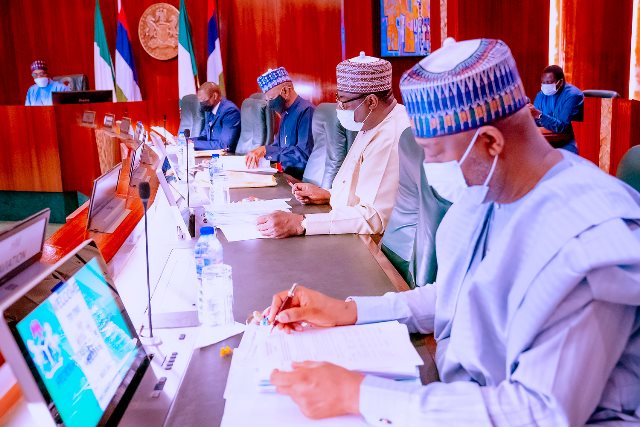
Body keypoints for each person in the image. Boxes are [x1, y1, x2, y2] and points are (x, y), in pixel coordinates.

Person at [262, 39, 640, 425]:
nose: (427, 166)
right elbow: (462, 293)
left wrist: (358, 395)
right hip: (462, 394)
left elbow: (538, 412)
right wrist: (349, 310)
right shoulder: (488, 193)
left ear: (490, 142)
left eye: (435, 153)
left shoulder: (592, 244)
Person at [256, 53, 410, 238]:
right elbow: (361, 192)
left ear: (371, 101)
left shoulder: (391, 134)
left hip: (375, 246)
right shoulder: (371, 120)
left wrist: (301, 222)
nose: (339, 107)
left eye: (344, 101)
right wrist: (328, 194)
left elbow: (373, 217)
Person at [246, 67, 314, 179]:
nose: (269, 104)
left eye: (271, 98)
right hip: (285, 175)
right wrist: (261, 152)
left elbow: (303, 155)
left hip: (300, 180)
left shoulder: (306, 111)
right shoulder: (285, 112)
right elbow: (279, 146)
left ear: (285, 91)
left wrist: (267, 150)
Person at [529, 65, 584, 154]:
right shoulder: (541, 95)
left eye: (549, 82)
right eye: (543, 83)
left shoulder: (573, 96)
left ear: (560, 82)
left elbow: (562, 127)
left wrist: (539, 115)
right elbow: (535, 122)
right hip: (548, 139)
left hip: (569, 141)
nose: (545, 86)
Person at [195, 82, 241, 151]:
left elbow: (224, 145)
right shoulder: (209, 108)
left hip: (227, 156)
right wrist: (186, 141)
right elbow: (205, 136)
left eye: (204, 100)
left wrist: (194, 144)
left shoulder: (230, 111)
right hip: (211, 154)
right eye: (200, 101)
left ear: (215, 96)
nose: (202, 104)